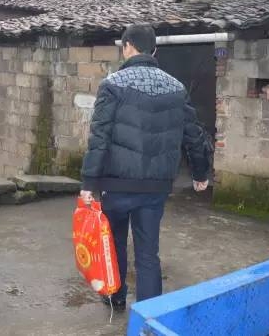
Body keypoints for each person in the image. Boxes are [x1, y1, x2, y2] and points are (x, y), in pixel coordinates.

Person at [79, 24, 211, 310]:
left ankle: (115, 297)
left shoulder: (112, 84)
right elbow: (194, 134)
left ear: (127, 46)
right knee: (148, 253)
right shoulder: (176, 87)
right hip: (155, 187)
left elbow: (99, 137)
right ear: (154, 50)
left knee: (114, 243)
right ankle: (149, 314)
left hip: (116, 184)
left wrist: (89, 183)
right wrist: (201, 173)